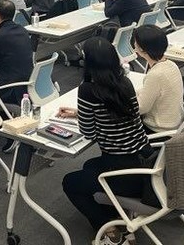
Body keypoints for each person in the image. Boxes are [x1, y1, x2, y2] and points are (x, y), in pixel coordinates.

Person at [60, 37, 151, 245]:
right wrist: (80, 113)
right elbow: (115, 112)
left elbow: (88, 132)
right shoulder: (125, 83)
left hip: (123, 173)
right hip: (145, 162)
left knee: (70, 182)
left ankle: (110, 228)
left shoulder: (88, 90)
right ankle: (118, 215)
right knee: (89, 165)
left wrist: (85, 114)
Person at [132, 25, 184, 133]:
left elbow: (141, 108)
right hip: (176, 122)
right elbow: (152, 91)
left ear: (141, 48)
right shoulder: (171, 64)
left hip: (159, 129)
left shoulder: (155, 75)